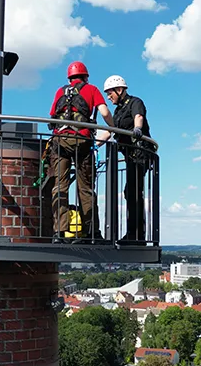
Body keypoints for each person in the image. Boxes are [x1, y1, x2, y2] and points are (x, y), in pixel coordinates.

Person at [48, 61, 114, 241]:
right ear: (85, 76)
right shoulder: (91, 89)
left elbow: (52, 115)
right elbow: (104, 111)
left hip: (59, 142)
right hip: (82, 141)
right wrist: (113, 127)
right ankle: (91, 232)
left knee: (59, 186)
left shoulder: (60, 91)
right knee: (85, 188)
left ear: (70, 78)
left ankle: (59, 232)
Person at [103, 75, 153, 241]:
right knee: (130, 192)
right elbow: (111, 130)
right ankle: (134, 232)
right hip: (130, 155)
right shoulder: (118, 111)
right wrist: (95, 144)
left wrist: (137, 129)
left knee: (133, 191)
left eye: (110, 93)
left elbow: (138, 117)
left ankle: (136, 233)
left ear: (120, 90)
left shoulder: (135, 102)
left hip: (140, 154)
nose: (108, 97)